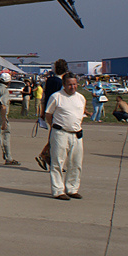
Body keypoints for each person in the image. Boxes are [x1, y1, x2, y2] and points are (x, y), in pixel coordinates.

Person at [44, 72, 87, 200]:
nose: (72, 87)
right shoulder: (56, 97)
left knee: (76, 163)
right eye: (69, 84)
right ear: (64, 85)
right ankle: (58, 190)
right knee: (58, 162)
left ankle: (72, 188)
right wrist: (54, 127)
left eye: (74, 84)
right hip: (60, 133)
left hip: (76, 134)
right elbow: (48, 114)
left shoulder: (80, 98)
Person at [35, 59, 68, 171]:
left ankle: (47, 157)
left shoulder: (49, 81)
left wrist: (42, 112)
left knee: (55, 136)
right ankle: (45, 155)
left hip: (49, 110)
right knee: (59, 138)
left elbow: (45, 97)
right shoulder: (62, 83)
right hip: (59, 112)